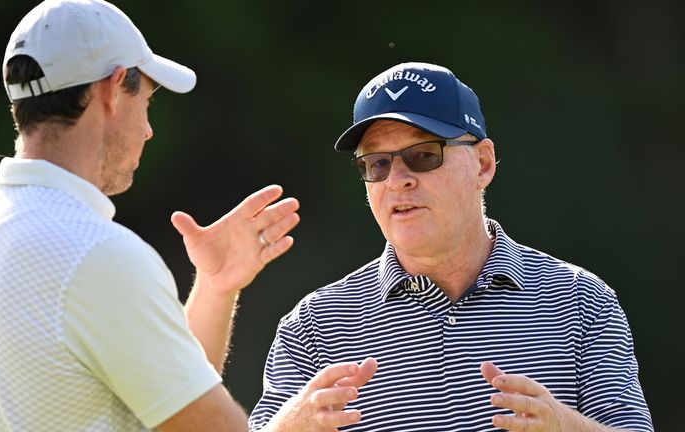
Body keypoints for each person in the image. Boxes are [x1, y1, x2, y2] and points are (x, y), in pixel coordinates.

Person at [0, 0, 303, 430]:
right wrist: (294, 422)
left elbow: (164, 398)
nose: (148, 128)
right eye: (146, 98)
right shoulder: (99, 255)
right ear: (112, 88)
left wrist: (214, 287)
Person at [249, 62, 653, 431]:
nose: (397, 180)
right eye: (377, 164)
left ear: (483, 164)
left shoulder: (583, 301)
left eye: (424, 155)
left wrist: (569, 427)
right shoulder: (313, 325)